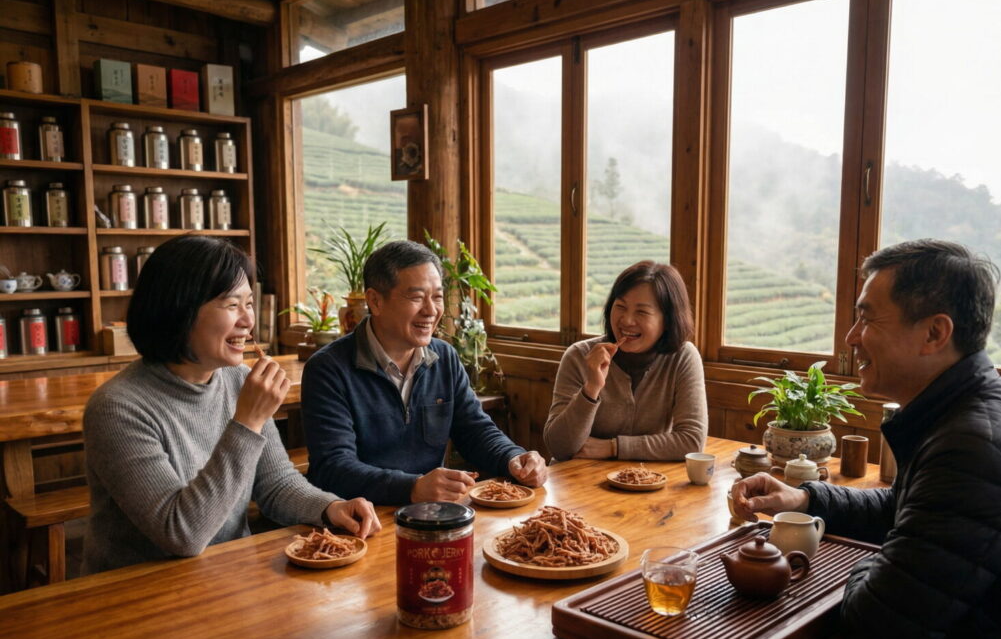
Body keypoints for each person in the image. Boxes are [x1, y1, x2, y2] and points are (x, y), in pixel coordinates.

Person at [731, 240, 1001, 639]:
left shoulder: (972, 448)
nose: (850, 337)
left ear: (934, 333)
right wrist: (806, 498)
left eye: (867, 318)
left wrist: (883, 566)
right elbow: (905, 511)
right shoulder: (981, 405)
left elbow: (879, 631)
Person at [83, 236, 380, 574]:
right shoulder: (117, 408)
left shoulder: (238, 379)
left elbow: (276, 483)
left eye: (249, 303)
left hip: (227, 573)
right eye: (231, 304)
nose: (248, 321)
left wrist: (330, 507)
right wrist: (247, 422)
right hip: (135, 588)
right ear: (179, 310)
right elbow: (181, 534)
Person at [302, 240, 547, 505]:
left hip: (429, 514)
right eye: (417, 297)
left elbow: (474, 430)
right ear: (375, 301)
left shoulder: (444, 358)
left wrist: (513, 458)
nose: (431, 311)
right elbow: (333, 467)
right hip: (355, 519)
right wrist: (412, 488)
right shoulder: (328, 369)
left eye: (437, 297)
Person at [544, 261, 708, 461]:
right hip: (576, 477)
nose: (627, 320)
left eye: (642, 312)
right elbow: (559, 447)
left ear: (668, 320)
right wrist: (591, 388)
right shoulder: (579, 355)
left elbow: (691, 441)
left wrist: (612, 447)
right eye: (620, 306)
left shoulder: (682, 357)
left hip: (645, 477)